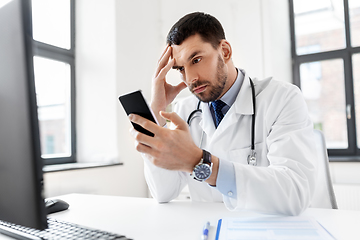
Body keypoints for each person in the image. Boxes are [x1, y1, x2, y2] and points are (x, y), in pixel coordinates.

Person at [128, 12, 317, 215]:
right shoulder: (185, 110)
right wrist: (156, 114)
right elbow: (163, 192)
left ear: (225, 51)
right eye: (180, 69)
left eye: (196, 59)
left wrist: (200, 162)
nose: (190, 78)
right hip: (204, 230)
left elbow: (295, 192)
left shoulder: (282, 98)